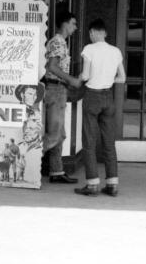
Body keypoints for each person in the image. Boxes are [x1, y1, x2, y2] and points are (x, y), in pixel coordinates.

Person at [74, 18, 126, 197]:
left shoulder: (89, 49)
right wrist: (108, 79)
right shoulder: (116, 51)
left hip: (92, 96)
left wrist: (80, 76)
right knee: (109, 142)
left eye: (90, 33)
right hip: (108, 96)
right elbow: (122, 78)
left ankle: (92, 184)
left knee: (89, 141)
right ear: (105, 33)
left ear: (93, 33)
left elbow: (86, 75)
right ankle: (112, 184)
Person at [42, 12, 83, 184]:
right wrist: (71, 79)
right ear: (65, 24)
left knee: (60, 133)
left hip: (57, 89)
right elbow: (52, 66)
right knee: (55, 134)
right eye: (73, 23)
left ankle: (56, 171)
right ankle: (27, 156)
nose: (75, 27)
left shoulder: (59, 42)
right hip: (56, 88)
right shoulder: (58, 42)